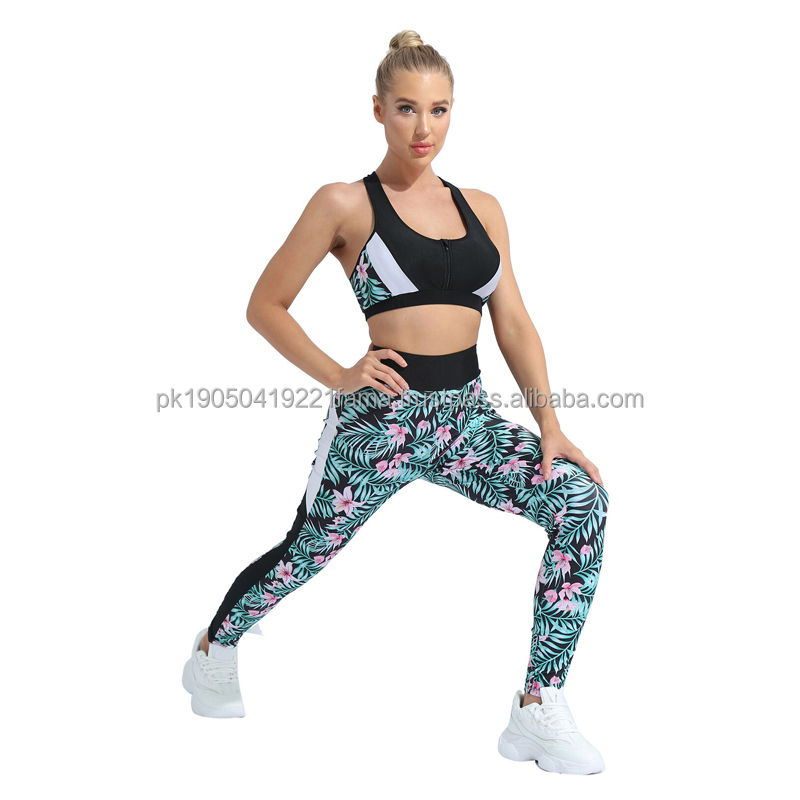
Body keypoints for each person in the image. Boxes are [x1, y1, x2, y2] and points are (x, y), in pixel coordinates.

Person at [182, 30, 609, 775]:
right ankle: (215, 647)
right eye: (407, 108)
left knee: (581, 500)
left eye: (439, 110)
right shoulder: (345, 204)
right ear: (378, 109)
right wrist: (340, 373)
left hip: (468, 423)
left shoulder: (483, 209)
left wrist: (550, 424)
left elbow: (512, 321)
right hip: (382, 424)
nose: (423, 128)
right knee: (306, 552)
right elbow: (265, 305)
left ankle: (538, 706)